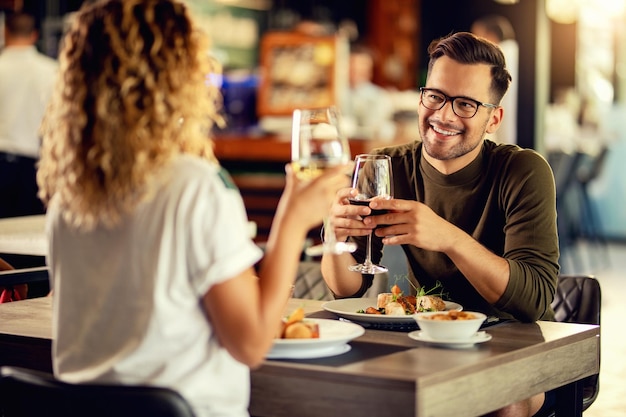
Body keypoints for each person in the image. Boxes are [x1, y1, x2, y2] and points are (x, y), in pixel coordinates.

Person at [36, 1, 349, 417]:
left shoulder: (68, 197)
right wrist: (293, 222)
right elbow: (252, 344)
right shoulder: (196, 186)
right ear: (177, 76)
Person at [321, 32, 559, 417]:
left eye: (465, 104)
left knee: (502, 404)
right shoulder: (386, 167)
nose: (444, 115)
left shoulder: (522, 171)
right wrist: (336, 236)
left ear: (493, 118)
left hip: (515, 344)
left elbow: (533, 300)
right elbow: (349, 289)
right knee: (342, 391)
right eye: (435, 96)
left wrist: (448, 237)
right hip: (424, 341)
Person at [0, 11, 57, 218]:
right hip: (35, 166)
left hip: (1, 162)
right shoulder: (51, 71)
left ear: (5, 31)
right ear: (34, 35)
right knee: (29, 236)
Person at [471, 14, 519, 145]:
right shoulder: (515, 52)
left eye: (477, 36)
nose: (476, 43)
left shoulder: (499, 57)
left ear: (490, 36)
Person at [341, 43, 395, 141]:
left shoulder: (379, 97)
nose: (357, 69)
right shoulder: (334, 94)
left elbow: (376, 129)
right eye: (352, 64)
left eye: (362, 65)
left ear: (369, 70)